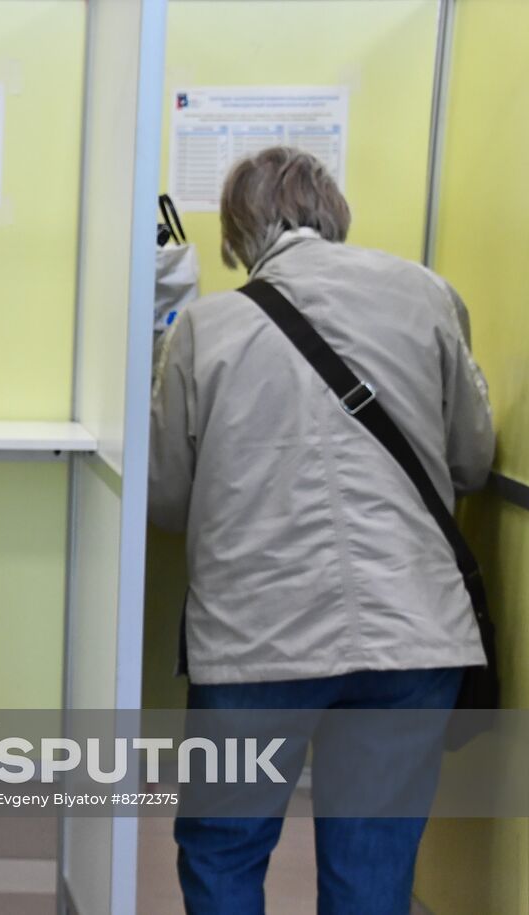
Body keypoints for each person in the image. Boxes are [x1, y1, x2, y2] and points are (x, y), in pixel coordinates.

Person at [149, 147, 495, 914]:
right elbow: (473, 458)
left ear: (239, 232)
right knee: (373, 863)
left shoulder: (206, 327)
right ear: (333, 210)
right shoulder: (428, 294)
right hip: (414, 635)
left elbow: (167, 499)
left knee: (224, 846)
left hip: (255, 641)